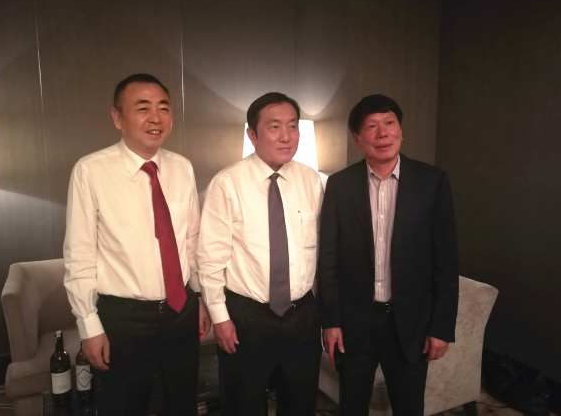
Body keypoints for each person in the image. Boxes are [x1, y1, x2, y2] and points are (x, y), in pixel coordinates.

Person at [64, 73, 211, 416]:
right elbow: (79, 255)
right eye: (143, 108)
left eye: (164, 108)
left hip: (180, 311)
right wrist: (88, 325)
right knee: (124, 406)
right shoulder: (91, 171)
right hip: (123, 319)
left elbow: (190, 241)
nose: (156, 118)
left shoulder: (182, 167)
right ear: (118, 118)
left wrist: (199, 296)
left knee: (183, 404)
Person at [317, 94, 459, 415]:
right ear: (357, 139)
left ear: (400, 132)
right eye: (371, 126)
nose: (382, 133)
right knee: (352, 406)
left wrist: (441, 326)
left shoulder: (432, 181)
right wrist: (331, 321)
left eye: (389, 123)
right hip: (355, 324)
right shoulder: (340, 185)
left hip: (409, 324)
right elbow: (328, 260)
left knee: (409, 407)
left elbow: (446, 261)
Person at [197, 92, 324, 416]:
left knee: (301, 404)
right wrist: (220, 318)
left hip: (302, 316)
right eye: (274, 127)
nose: (286, 136)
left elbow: (323, 250)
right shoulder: (227, 183)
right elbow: (210, 258)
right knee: (243, 405)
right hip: (247, 319)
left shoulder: (311, 180)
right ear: (252, 134)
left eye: (292, 126)